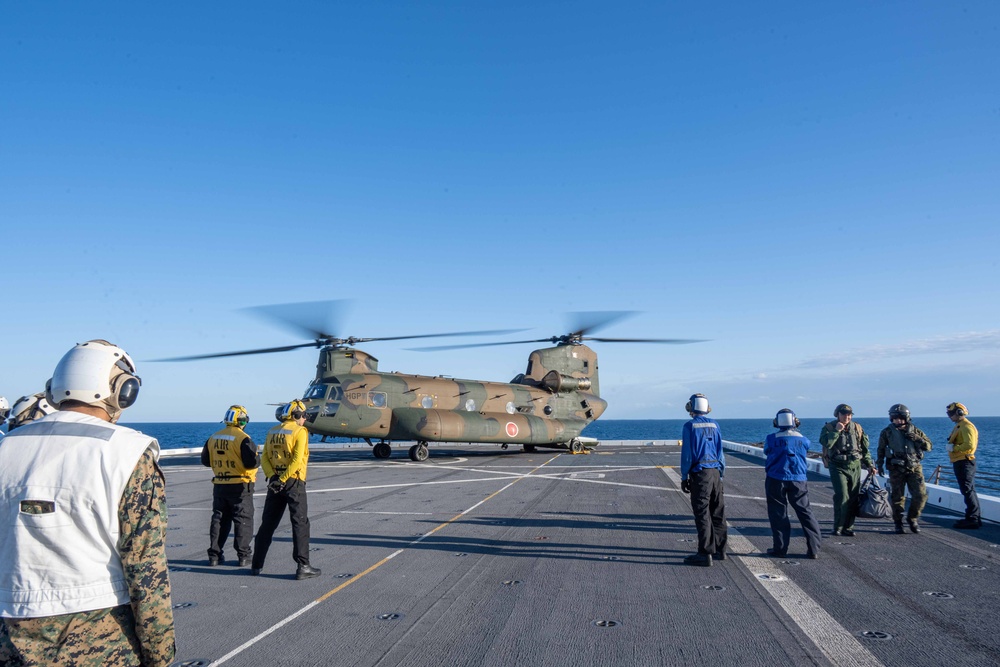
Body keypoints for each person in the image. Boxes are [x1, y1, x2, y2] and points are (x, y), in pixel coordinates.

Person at [0, 340, 175, 666]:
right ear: (123, 390)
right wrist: (160, 656)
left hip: (10, 635)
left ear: (54, 390)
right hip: (100, 637)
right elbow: (146, 573)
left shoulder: (6, 447)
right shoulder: (127, 453)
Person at [252, 399, 321, 580]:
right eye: (304, 415)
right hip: (293, 482)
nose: (305, 419)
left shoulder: (272, 431)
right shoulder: (300, 431)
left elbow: (264, 457)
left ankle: (256, 564)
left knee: (268, 523)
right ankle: (303, 566)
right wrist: (284, 479)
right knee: (300, 523)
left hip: (274, 481)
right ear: (297, 416)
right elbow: (297, 460)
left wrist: (273, 477)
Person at [201, 404, 260, 566]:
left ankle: (214, 555)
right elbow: (252, 463)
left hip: (220, 484)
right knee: (243, 520)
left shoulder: (213, 437)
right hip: (240, 485)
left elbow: (206, 461)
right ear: (242, 421)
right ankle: (243, 556)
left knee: (219, 519)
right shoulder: (243, 439)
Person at [764, 409, 822, 558]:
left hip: (776, 478)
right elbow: (806, 448)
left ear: (777, 422)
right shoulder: (803, 439)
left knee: (778, 513)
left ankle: (780, 549)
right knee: (805, 512)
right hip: (798, 479)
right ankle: (814, 549)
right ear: (795, 422)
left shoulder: (771, 438)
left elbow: (766, 451)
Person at [679, 393, 727, 567]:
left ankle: (705, 553)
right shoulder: (715, 425)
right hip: (715, 471)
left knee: (702, 513)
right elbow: (720, 451)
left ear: (690, 407)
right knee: (718, 512)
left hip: (700, 473)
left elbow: (687, 455)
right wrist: (720, 473)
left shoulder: (689, 426)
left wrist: (684, 477)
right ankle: (721, 550)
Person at [819, 404, 877, 536]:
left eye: (849, 414)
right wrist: (836, 431)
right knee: (841, 495)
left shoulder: (857, 428)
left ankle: (848, 527)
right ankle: (838, 527)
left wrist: (869, 464)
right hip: (837, 465)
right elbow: (826, 443)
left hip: (854, 465)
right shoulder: (829, 427)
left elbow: (864, 449)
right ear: (837, 414)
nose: (847, 416)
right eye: (844, 414)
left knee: (853, 497)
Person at [876, 403, 932, 534]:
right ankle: (898, 522)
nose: (898, 420)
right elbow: (881, 449)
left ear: (906, 417)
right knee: (897, 497)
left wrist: (918, 439)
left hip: (914, 467)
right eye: (895, 418)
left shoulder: (915, 431)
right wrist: (879, 464)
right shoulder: (887, 432)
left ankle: (912, 518)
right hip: (896, 468)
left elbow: (929, 446)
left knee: (920, 495)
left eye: (900, 417)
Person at [946, 402, 980, 529]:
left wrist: (954, 448)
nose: (949, 416)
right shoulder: (959, 426)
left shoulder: (967, 427)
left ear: (959, 413)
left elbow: (970, 446)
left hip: (964, 461)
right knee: (967, 489)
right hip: (959, 461)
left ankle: (973, 518)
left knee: (967, 489)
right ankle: (972, 517)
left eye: (951, 413)